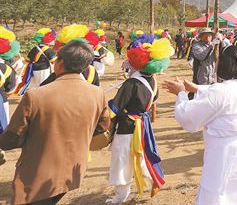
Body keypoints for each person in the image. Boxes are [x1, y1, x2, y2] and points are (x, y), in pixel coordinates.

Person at [0, 40, 110, 205]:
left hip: (37, 173)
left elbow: (12, 137)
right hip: (72, 170)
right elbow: (102, 128)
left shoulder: (35, 96)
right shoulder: (97, 94)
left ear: (60, 63)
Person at [165, 45, 237, 204]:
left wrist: (181, 93)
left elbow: (187, 117)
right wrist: (196, 89)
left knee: (217, 196)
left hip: (224, 154)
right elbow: (220, 95)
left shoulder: (220, 92)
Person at [106, 34, 174, 203]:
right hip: (143, 125)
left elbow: (114, 108)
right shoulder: (153, 81)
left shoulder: (131, 84)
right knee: (142, 155)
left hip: (126, 126)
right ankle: (154, 180)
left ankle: (120, 196)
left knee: (122, 159)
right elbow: (153, 100)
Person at [23, 28, 58, 92]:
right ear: (48, 39)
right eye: (52, 39)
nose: (54, 40)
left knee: (36, 86)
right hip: (44, 70)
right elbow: (54, 61)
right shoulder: (48, 50)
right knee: (44, 86)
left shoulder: (34, 48)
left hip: (34, 70)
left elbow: (28, 60)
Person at [189, 28, 218, 99]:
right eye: (205, 35)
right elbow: (201, 56)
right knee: (199, 97)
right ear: (201, 36)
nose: (207, 37)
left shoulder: (214, 46)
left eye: (209, 35)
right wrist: (211, 47)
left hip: (212, 77)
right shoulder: (196, 46)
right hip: (201, 78)